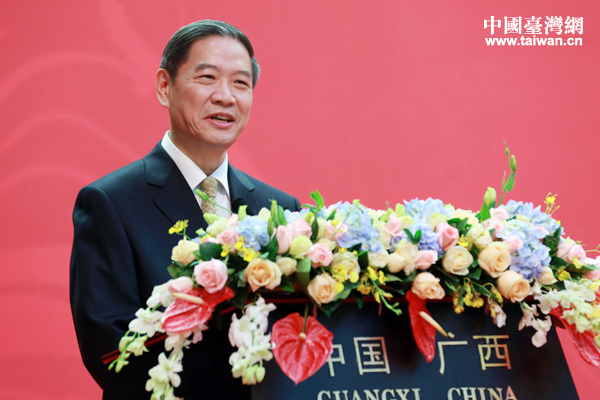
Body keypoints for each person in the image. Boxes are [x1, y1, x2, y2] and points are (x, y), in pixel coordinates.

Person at [70, 20, 300, 399]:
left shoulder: (279, 209)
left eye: (240, 83)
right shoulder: (110, 202)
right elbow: (110, 348)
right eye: (207, 78)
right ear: (165, 86)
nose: (225, 96)